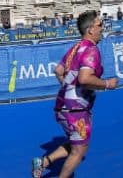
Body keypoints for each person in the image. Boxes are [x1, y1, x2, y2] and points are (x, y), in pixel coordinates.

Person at [31, 10, 118, 178]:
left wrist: (69, 88)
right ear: (90, 29)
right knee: (80, 150)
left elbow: (58, 70)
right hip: (75, 109)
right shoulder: (91, 50)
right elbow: (85, 78)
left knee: (76, 142)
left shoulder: (75, 48)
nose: (103, 28)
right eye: (100, 25)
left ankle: (43, 163)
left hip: (62, 106)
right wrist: (108, 84)